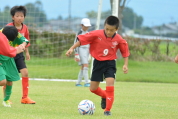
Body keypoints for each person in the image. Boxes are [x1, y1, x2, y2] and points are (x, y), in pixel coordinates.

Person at [66, 16, 130, 116]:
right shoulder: (97, 34)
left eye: (112, 30)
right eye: (107, 29)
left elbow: (125, 51)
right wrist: (71, 48)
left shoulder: (118, 39)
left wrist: (125, 65)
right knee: (93, 88)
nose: (109, 32)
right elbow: (82, 40)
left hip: (110, 63)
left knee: (110, 83)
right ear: (104, 26)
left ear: (116, 29)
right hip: (98, 63)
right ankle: (105, 96)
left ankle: (107, 110)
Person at [3, 5, 36, 104]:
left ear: (24, 17)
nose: (19, 18)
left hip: (19, 55)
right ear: (13, 17)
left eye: (21, 16)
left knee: (25, 72)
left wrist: (27, 53)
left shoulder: (25, 28)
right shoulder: (8, 28)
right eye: (17, 16)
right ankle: (6, 98)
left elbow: (26, 41)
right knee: (8, 78)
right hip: (8, 55)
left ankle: (25, 98)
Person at [0, 26, 27, 107]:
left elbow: (25, 40)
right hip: (1, 60)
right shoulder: (1, 35)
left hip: (9, 60)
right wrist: (16, 50)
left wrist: (23, 45)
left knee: (9, 81)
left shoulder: (16, 33)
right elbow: (8, 50)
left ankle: (6, 100)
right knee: (2, 81)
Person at [74, 18, 91, 87]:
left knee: (83, 66)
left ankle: (78, 82)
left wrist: (90, 53)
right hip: (81, 49)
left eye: (87, 26)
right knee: (86, 65)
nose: (86, 27)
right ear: (81, 25)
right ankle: (87, 82)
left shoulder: (88, 33)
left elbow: (90, 43)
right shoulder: (79, 33)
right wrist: (76, 54)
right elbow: (75, 43)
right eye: (85, 26)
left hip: (87, 50)